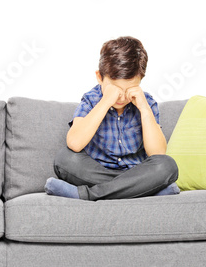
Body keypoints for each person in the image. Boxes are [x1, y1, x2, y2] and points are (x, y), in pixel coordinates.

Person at [44, 36, 179, 201]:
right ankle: (142, 190)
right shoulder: (92, 99)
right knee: (64, 159)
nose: (121, 96)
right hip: (98, 172)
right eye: (115, 88)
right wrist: (106, 101)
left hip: (136, 172)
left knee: (167, 166)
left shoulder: (147, 102)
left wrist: (144, 108)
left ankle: (86, 194)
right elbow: (74, 143)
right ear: (100, 77)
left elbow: (157, 154)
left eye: (129, 88)